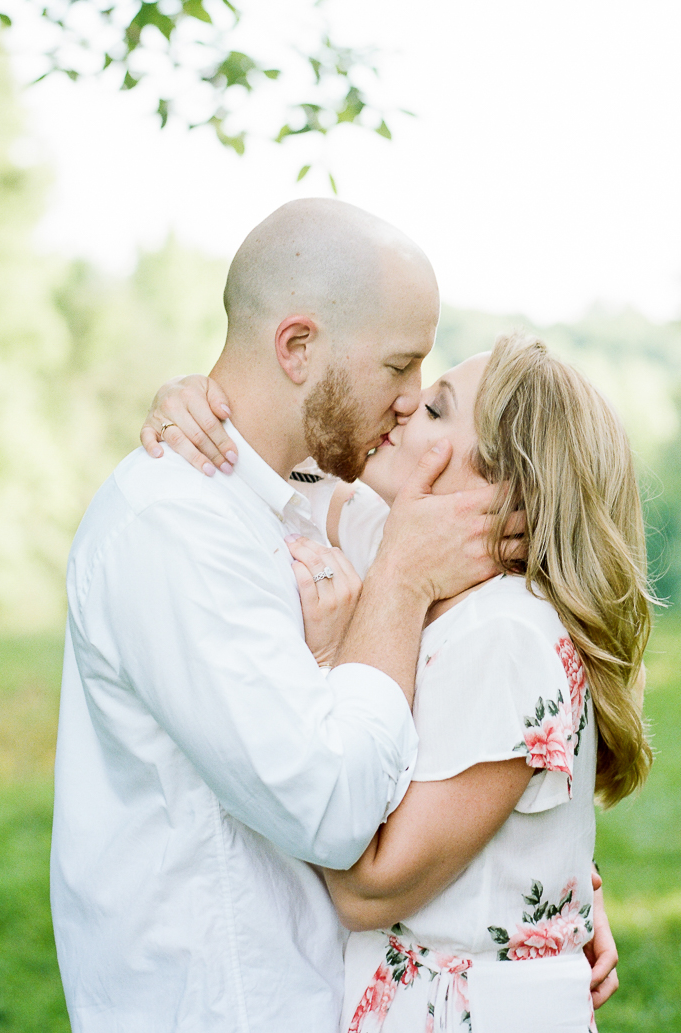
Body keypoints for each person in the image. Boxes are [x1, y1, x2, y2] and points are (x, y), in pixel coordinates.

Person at [51, 198, 528, 1033]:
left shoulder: (304, 500)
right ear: (298, 347)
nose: (413, 401)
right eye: (399, 366)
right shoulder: (175, 529)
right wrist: (399, 587)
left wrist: (540, 897)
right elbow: (334, 810)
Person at [143, 334, 652, 1032]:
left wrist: (327, 658)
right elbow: (275, 475)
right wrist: (195, 404)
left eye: (438, 409)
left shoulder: (505, 634)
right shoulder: (398, 539)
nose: (407, 405)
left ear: (506, 491)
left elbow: (368, 888)